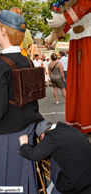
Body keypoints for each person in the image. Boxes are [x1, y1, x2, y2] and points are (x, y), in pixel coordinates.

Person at [0, 10, 44, 192]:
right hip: (27, 133)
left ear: (3, 31)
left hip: (3, 138)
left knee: (1, 181)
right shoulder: (28, 61)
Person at [46, 0, 91, 134]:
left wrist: (64, 17)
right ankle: (81, 121)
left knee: (87, 81)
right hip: (77, 37)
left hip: (89, 33)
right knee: (78, 83)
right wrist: (57, 32)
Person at [19, 120, 91, 194]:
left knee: (57, 186)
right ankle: (51, 187)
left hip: (77, 181)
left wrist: (24, 144)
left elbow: (34, 155)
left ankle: (51, 189)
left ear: (42, 136)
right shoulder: (69, 128)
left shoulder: (51, 136)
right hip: (87, 172)